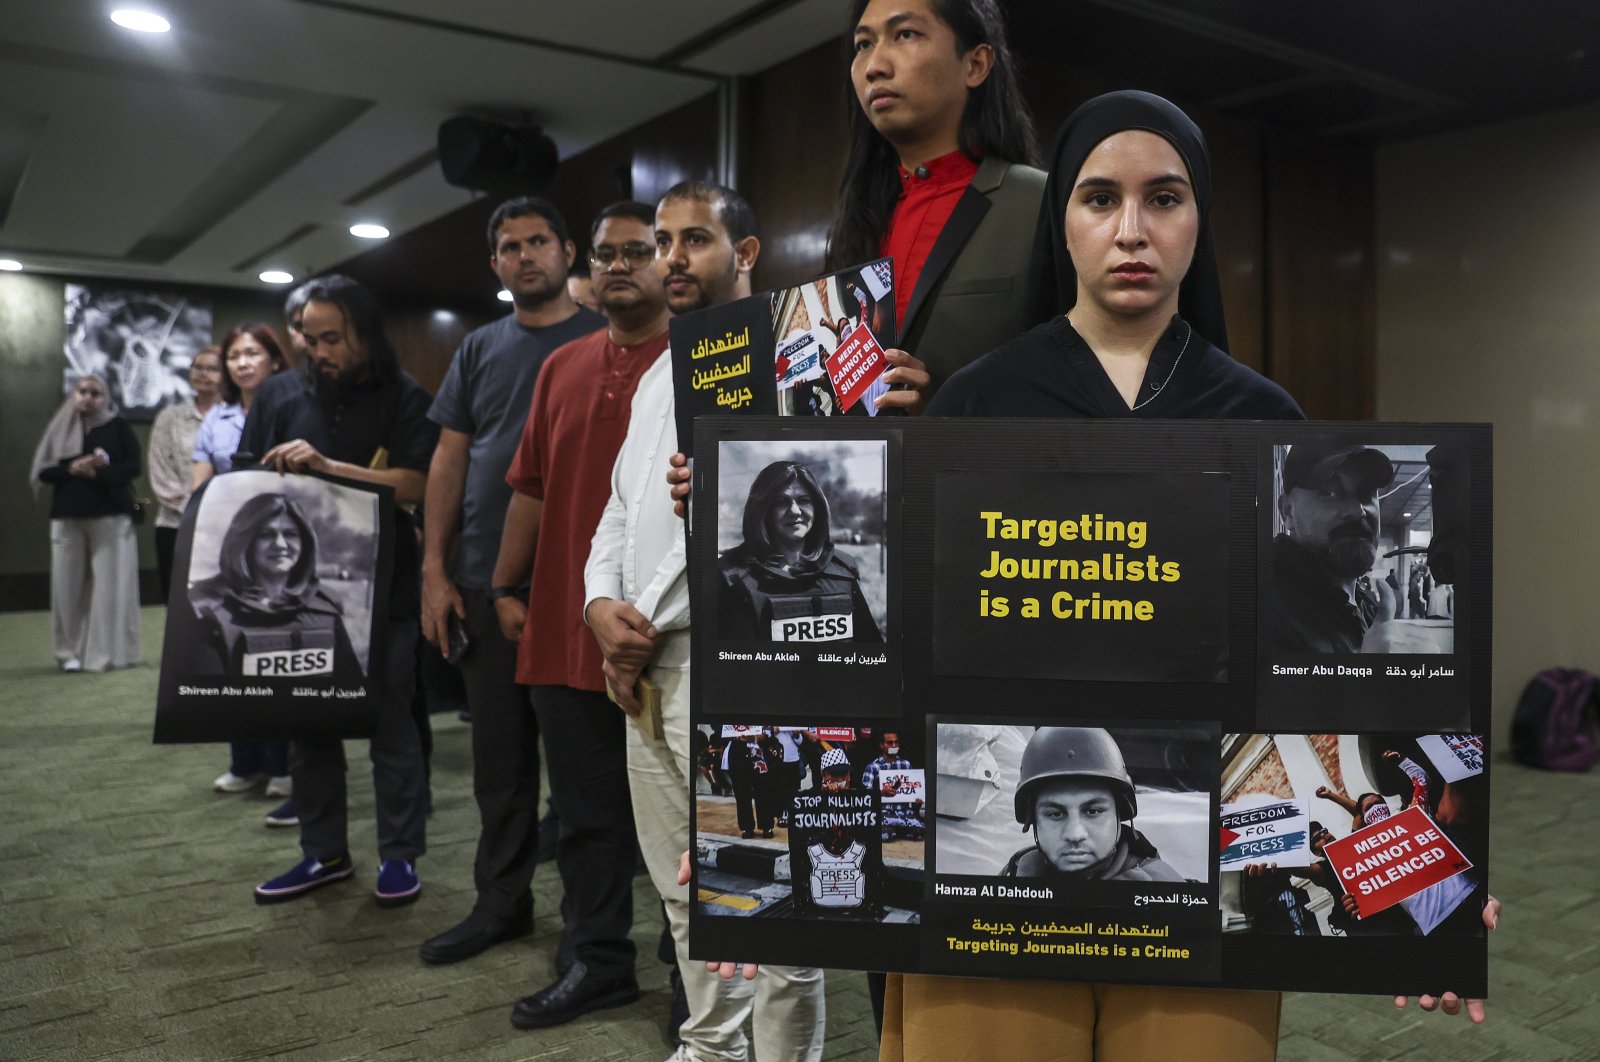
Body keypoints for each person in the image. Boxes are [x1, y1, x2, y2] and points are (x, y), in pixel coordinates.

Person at [876, 89, 1496, 1058]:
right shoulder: (975, 405)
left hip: (1205, 885)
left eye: (1163, 199)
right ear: (1062, 221)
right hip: (992, 910)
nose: (1131, 230)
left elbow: (1325, 695)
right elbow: (898, 656)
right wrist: (774, 899)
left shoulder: (1263, 422)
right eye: (1097, 199)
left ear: (1198, 220)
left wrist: (1431, 875)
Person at [583, 181, 827, 1060]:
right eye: (662, 242)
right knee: (682, 889)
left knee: (768, 893)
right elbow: (618, 510)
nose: (672, 259)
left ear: (746, 254)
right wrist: (597, 606)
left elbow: (755, 528)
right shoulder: (659, 368)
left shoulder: (789, 356)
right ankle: (711, 1046)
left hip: (746, 663)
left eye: (695, 240)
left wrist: (633, 623)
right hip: (650, 663)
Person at [490, 200, 665, 1030]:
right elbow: (532, 486)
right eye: (607, 254)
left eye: (640, 250)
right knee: (587, 820)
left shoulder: (707, 361)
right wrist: (503, 585)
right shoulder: (559, 366)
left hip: (666, 635)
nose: (620, 265)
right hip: (567, 626)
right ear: (588, 269)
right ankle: (599, 962)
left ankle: (695, 979)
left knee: (682, 823)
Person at [417, 196, 603, 966]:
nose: (525, 256)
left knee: (587, 778)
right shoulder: (479, 347)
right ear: (494, 265)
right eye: (509, 247)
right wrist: (434, 569)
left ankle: (594, 936)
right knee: (500, 765)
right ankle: (503, 903)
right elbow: (450, 459)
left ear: (567, 253)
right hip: (486, 584)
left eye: (538, 242)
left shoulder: (605, 336)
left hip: (581, 591)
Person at [239, 275, 437, 910]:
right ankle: (322, 853)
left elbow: (416, 485)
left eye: (333, 339)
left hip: (385, 587)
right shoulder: (277, 393)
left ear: (365, 334)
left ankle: (400, 858)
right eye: (310, 337)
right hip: (295, 593)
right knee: (309, 729)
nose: (320, 350)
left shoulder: (404, 395)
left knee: (392, 728)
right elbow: (245, 473)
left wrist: (328, 469)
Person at [830, 0, 1045, 388]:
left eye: (905, 34)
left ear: (975, 65)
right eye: (863, 44)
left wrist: (945, 417)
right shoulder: (856, 220)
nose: (875, 65)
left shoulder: (1041, 202)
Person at [191, 323, 294, 811]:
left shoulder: (294, 403)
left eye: (253, 353)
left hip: (279, 546)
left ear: (275, 358)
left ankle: (283, 764)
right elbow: (201, 484)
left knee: (276, 660)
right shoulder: (219, 417)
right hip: (228, 547)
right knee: (233, 656)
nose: (243, 363)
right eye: (234, 355)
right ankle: (245, 761)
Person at [188, 493, 362, 682]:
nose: (280, 544)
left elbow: (351, 690)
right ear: (245, 542)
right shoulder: (208, 610)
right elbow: (203, 701)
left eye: (290, 534)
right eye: (265, 535)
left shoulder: (326, 608)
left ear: (305, 542)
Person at [31, 374, 141, 673]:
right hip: (67, 518)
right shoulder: (60, 426)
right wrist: (71, 468)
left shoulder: (118, 426)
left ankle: (108, 654)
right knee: (65, 589)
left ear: (105, 398)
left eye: (96, 393)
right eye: (83, 391)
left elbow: (133, 466)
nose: (88, 398)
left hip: (110, 516)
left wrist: (97, 473)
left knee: (110, 589)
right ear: (74, 394)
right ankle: (69, 653)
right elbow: (44, 472)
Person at [717, 461, 883, 644]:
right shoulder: (731, 577)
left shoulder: (843, 571)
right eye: (781, 501)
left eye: (803, 500)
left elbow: (872, 654)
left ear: (816, 507)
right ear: (763, 510)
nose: (795, 511)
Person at [999, 727, 1181, 882]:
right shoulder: (1017, 873)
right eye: (1055, 814)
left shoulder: (1159, 888)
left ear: (1121, 811)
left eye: (1093, 811)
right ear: (1033, 819)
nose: (1075, 835)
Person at [1265, 443, 1395, 654]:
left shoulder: (1366, 607)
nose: (1357, 510)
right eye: (1329, 492)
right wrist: (1372, 675)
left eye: (1366, 492)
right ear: (1288, 511)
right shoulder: (1262, 605)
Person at [147, 346, 222, 600]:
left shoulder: (233, 415)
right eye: (198, 367)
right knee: (177, 602)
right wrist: (191, 507)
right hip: (175, 523)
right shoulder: (171, 417)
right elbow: (160, 470)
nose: (203, 373)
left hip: (222, 524)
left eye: (212, 368)